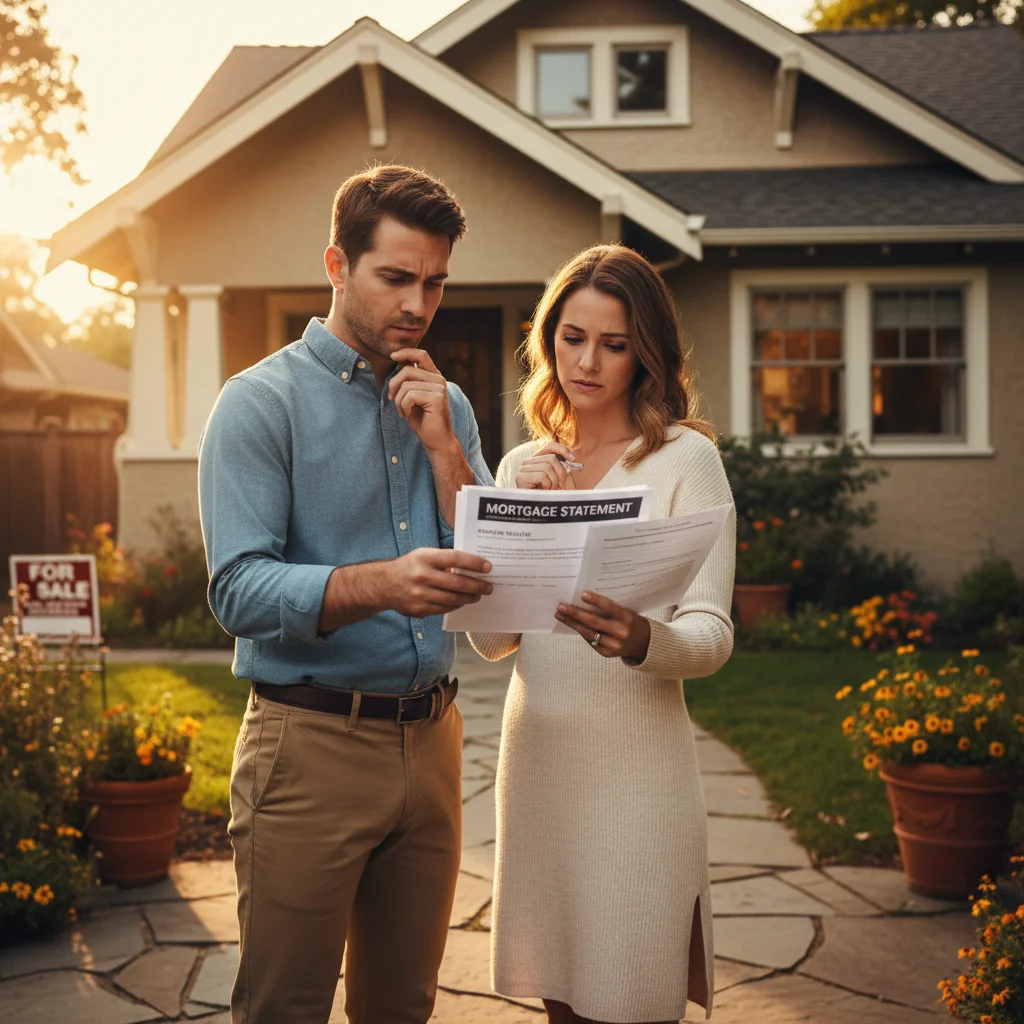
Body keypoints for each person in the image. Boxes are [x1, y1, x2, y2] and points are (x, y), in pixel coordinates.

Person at [198, 164, 495, 1024]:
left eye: (434, 282)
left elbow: (493, 570)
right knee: (284, 1008)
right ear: (337, 264)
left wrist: (446, 450)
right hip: (309, 747)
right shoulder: (258, 404)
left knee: (403, 1007)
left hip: (433, 743)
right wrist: (383, 585)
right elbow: (238, 591)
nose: (418, 304)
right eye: (396, 277)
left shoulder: (449, 405)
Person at [468, 245, 736, 1024]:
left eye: (613, 344)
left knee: (633, 995)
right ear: (548, 339)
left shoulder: (685, 459)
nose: (587, 362)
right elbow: (493, 643)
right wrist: (518, 515)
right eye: (572, 338)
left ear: (644, 352)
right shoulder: (523, 464)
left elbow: (712, 632)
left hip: (638, 777)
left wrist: (641, 638)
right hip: (540, 766)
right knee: (563, 1001)